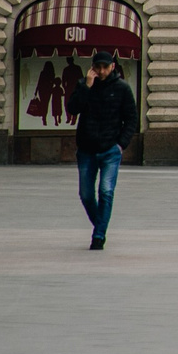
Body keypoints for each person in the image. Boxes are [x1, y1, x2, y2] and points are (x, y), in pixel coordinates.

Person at [65, 55, 139, 250]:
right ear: (92, 68)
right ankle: (101, 223)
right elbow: (72, 109)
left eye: (105, 67)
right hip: (86, 150)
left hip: (110, 151)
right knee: (86, 194)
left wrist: (120, 144)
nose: (102, 71)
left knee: (106, 192)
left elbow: (131, 119)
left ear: (112, 67)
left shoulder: (122, 88)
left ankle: (98, 236)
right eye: (98, 67)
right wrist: (86, 87)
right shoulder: (84, 85)